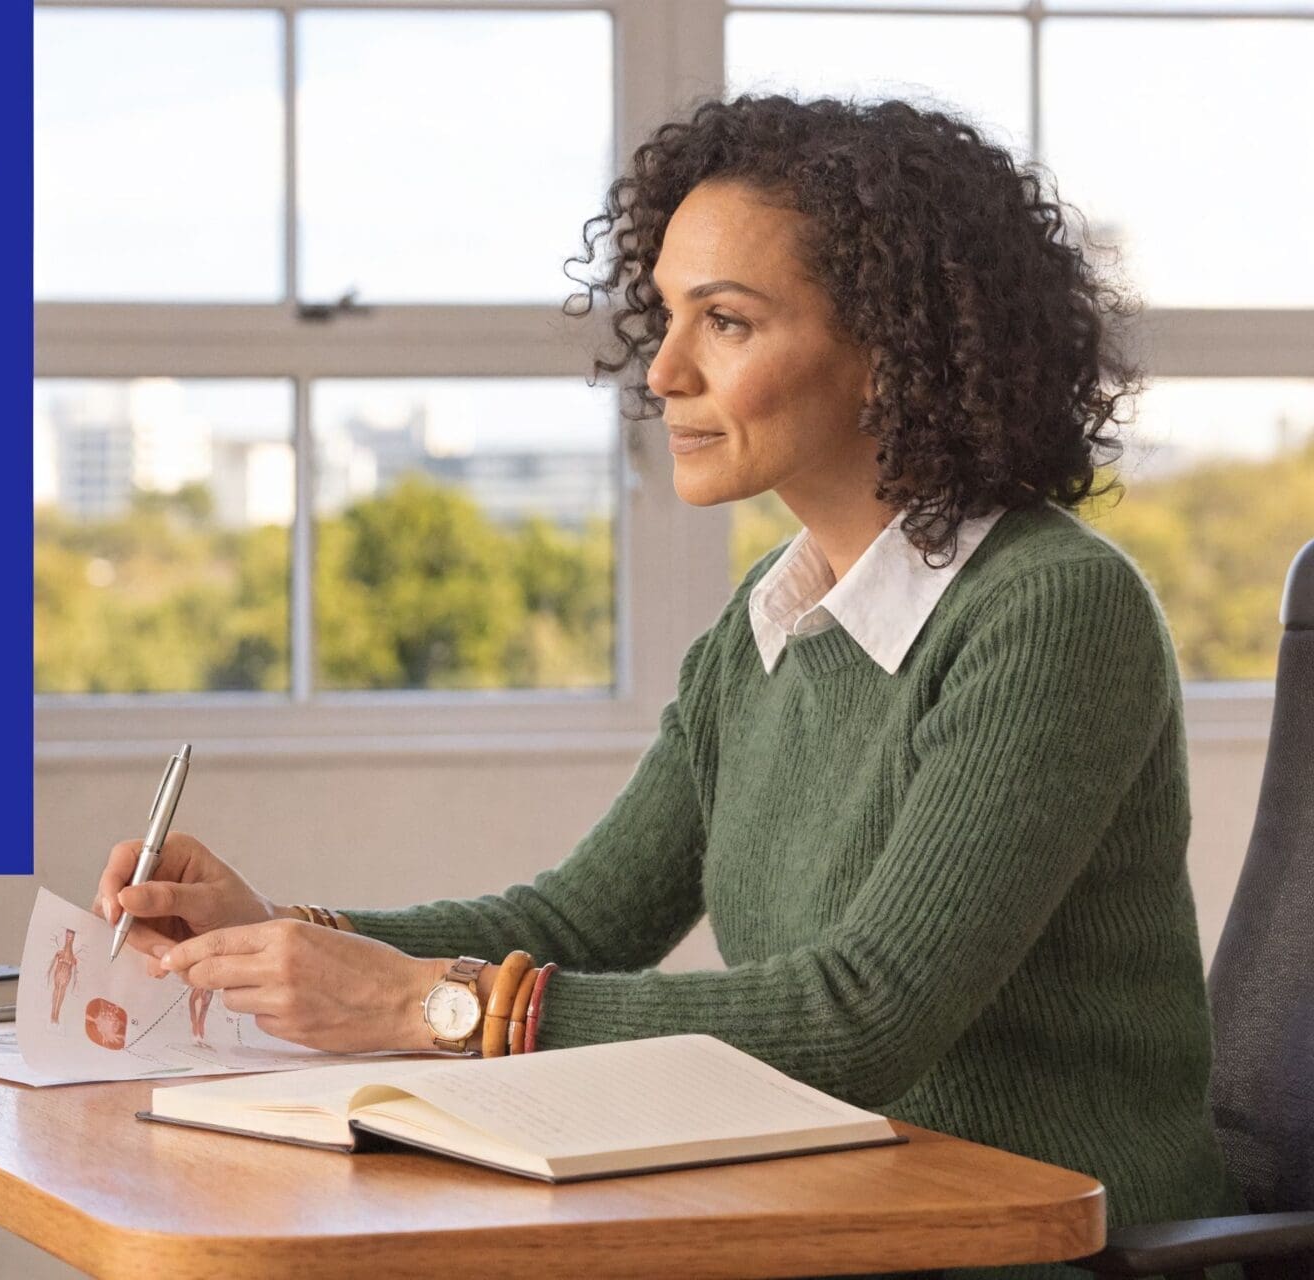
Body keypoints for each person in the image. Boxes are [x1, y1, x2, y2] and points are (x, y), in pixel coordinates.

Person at [95, 95, 1240, 1272]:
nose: (664, 368)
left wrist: (421, 1008)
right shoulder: (769, 626)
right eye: (668, 314)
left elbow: (864, 1015)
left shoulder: (1052, 606)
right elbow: (576, 921)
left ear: (895, 351)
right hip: (843, 1220)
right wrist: (280, 931)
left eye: (727, 322)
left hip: (1041, 1245)